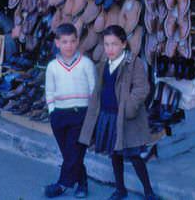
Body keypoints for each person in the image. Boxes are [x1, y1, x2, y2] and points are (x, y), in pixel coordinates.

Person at [79, 25, 158, 200]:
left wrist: (129, 107)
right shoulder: (103, 65)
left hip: (126, 118)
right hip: (108, 117)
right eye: (106, 45)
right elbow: (99, 91)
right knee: (115, 154)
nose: (109, 49)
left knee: (134, 156)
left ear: (123, 44)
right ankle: (120, 189)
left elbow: (142, 88)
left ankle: (148, 192)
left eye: (114, 44)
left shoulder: (133, 63)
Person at [44, 23, 96, 199]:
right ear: (57, 43)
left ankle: (62, 184)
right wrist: (52, 111)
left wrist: (91, 115)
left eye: (72, 41)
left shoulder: (86, 64)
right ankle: (82, 182)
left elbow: (93, 90)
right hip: (59, 115)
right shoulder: (52, 66)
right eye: (64, 42)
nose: (69, 46)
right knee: (70, 154)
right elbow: (49, 91)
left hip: (80, 113)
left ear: (78, 42)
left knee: (74, 152)